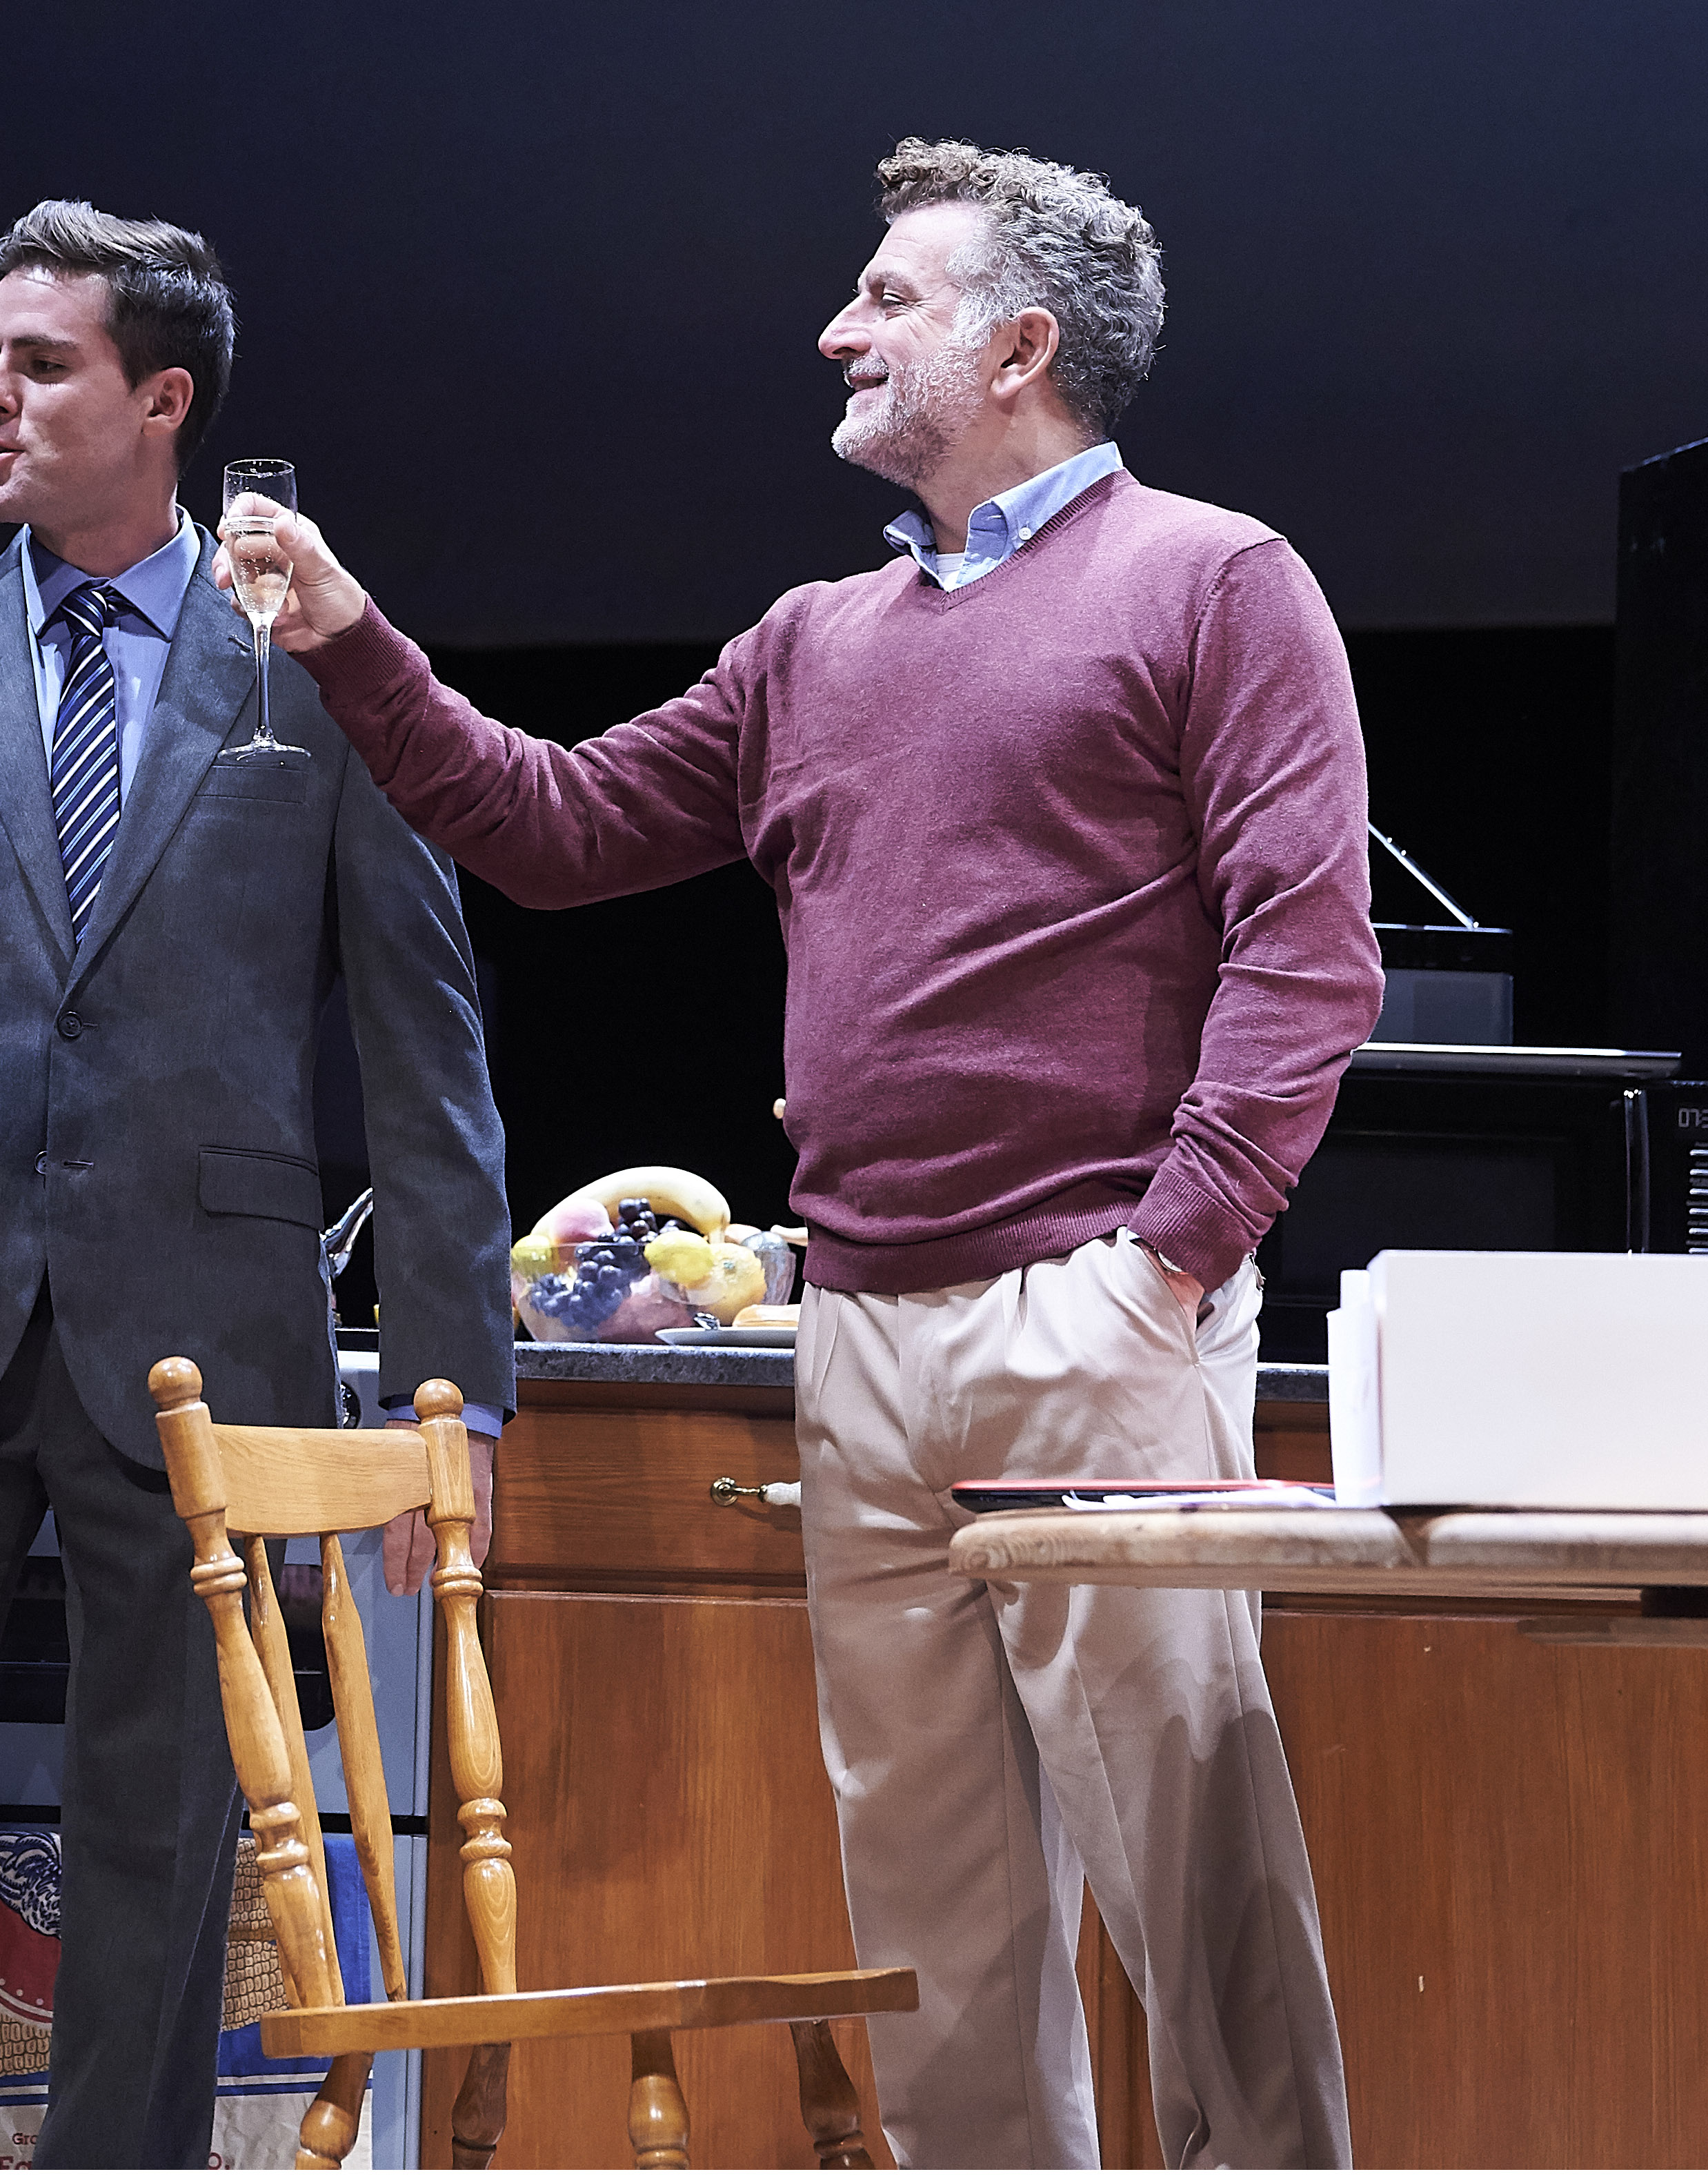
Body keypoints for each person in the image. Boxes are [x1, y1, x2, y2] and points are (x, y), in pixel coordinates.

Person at [241, 141, 1373, 2167]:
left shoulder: (1212, 580)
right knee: (929, 1915)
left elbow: (1307, 956)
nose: (836, 328)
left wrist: (1162, 1264)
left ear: (1019, 345)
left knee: (1187, 1885)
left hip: (1088, 1315)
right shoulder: (810, 639)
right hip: (855, 1337)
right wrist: (349, 637)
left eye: (888, 297)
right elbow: (554, 825)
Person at [0, 200, 513, 2166]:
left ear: (161, 402)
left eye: (37, 363)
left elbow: (425, 1048)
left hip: (203, 1339)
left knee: (162, 1843)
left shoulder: (307, 678)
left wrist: (453, 1391)